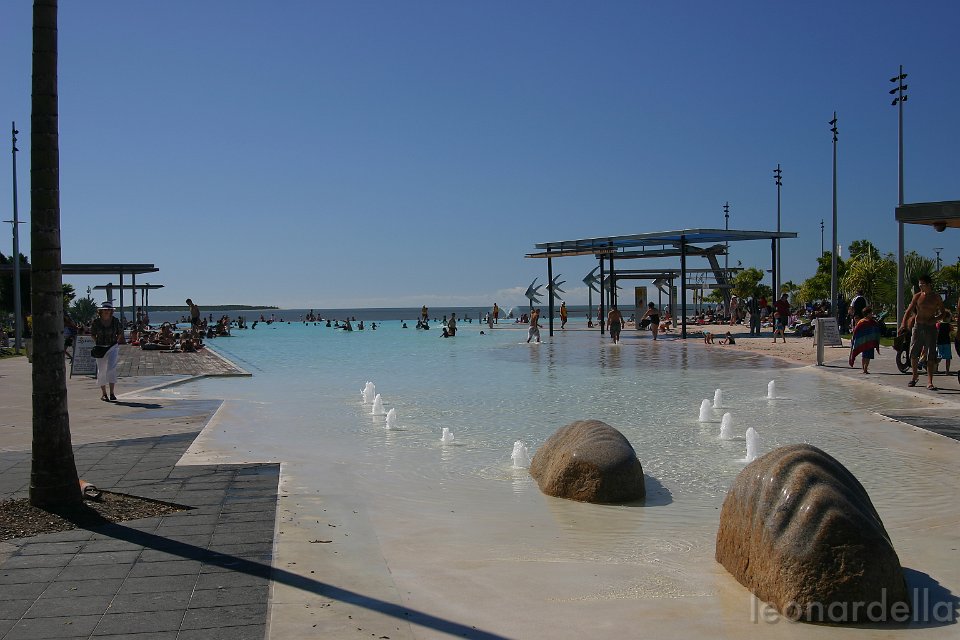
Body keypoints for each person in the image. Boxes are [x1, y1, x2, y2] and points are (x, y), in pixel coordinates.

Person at [900, 275, 946, 390]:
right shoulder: (917, 296)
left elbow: (943, 313)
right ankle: (914, 376)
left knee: (931, 354)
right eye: (919, 284)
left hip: (931, 327)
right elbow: (908, 311)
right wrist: (903, 324)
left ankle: (930, 381)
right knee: (913, 353)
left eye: (922, 284)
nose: (920, 286)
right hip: (918, 326)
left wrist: (935, 319)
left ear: (929, 284)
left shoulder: (936, 297)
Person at [91, 302, 125, 401]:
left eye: (109, 310)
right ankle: (104, 393)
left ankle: (112, 393)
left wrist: (115, 341)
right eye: (105, 310)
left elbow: (120, 332)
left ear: (111, 311)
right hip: (100, 348)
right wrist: (98, 342)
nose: (107, 311)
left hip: (112, 347)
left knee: (111, 368)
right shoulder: (96, 322)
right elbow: (93, 334)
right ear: (101, 311)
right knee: (101, 370)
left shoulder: (115, 321)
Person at [849, 307, 882, 374]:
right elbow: (856, 330)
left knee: (866, 356)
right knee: (865, 356)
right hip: (864, 342)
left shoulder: (872, 322)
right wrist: (854, 337)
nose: (872, 314)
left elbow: (876, 330)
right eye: (871, 313)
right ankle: (865, 369)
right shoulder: (863, 322)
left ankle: (865, 368)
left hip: (870, 342)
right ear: (867, 314)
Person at [936, 311, 952, 375]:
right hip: (947, 342)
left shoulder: (938, 325)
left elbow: (936, 333)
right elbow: (950, 332)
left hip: (939, 342)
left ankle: (935, 368)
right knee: (948, 357)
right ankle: (947, 371)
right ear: (947, 318)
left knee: (939, 356)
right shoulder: (949, 325)